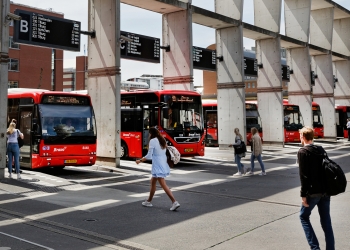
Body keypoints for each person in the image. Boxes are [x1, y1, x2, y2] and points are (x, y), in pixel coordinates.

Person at [297, 126, 335, 250]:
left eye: (300, 136)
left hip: (312, 192)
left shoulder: (303, 152)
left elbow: (304, 176)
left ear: (303, 137)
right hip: (325, 191)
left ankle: (315, 248)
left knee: (303, 216)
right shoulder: (321, 149)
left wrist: (303, 195)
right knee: (326, 222)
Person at [136, 127, 180, 211]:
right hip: (163, 163)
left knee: (163, 184)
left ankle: (174, 202)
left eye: (149, 133)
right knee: (153, 182)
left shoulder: (153, 141)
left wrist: (140, 160)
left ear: (151, 134)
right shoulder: (162, 139)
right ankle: (148, 201)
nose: (148, 135)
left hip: (158, 165)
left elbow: (149, 156)